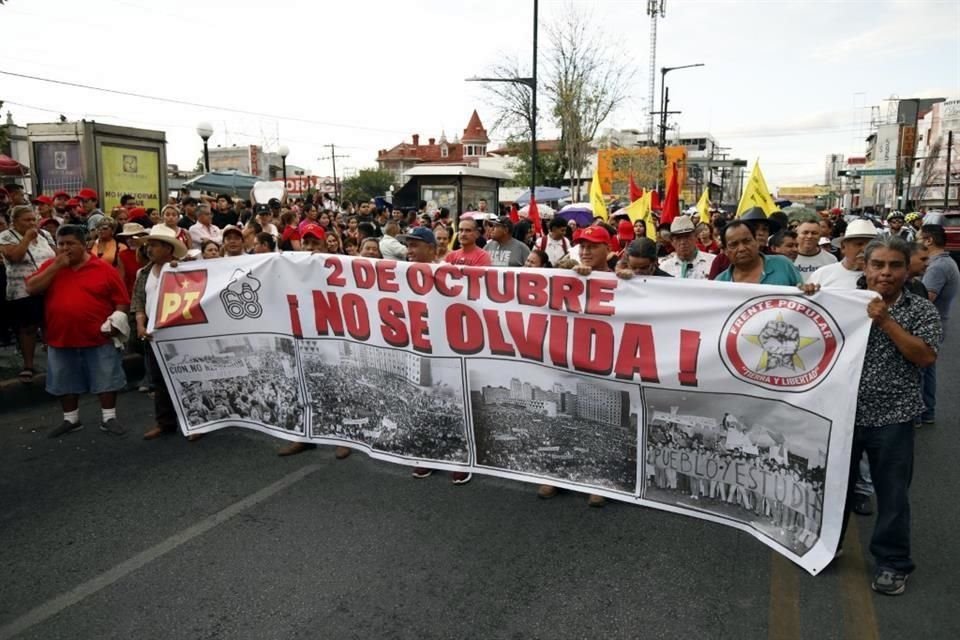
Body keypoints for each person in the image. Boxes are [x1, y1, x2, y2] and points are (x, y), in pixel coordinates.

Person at [839, 236, 941, 596]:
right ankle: (824, 547)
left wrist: (886, 322)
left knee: (892, 494)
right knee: (832, 488)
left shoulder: (920, 310)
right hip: (841, 416)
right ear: (864, 267)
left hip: (893, 417)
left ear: (907, 268)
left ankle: (893, 562)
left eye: (894, 265)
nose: (885, 273)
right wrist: (810, 296)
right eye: (877, 265)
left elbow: (925, 357)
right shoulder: (840, 302)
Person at [26, 225, 131, 438]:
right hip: (60, 336)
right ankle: (71, 419)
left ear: (84, 245)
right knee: (65, 379)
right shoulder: (51, 266)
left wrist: (116, 321)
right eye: (61, 244)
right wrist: (55, 267)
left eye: (70, 244)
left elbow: (122, 302)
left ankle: (108, 417)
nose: (65, 248)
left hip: (98, 336)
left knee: (106, 377)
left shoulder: (103, 269)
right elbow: (31, 288)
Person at [540, 224, 613, 508]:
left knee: (598, 425)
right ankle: (556, 473)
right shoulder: (567, 273)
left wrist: (625, 279)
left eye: (593, 246)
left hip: (602, 364)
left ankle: (599, 480)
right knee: (561, 419)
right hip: (567, 359)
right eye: (583, 245)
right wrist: (566, 274)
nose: (586, 251)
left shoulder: (623, 278)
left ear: (608, 249)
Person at [133, 226, 195, 441]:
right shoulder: (144, 273)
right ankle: (165, 423)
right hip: (154, 332)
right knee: (159, 380)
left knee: (187, 377)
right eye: (149, 245)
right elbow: (139, 301)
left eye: (155, 245)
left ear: (168, 248)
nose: (149, 249)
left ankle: (196, 423)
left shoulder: (184, 270)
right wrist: (141, 325)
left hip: (180, 330)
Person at [0, 205, 56, 381]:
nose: (32, 223)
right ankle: (29, 365)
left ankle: (56, 363)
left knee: (51, 324)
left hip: (48, 286)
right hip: (22, 291)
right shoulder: (5, 236)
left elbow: (55, 254)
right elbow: (15, 256)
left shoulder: (45, 235)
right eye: (27, 220)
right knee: (28, 328)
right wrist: (26, 239)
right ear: (14, 222)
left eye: (34, 219)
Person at [916, 223, 959, 426]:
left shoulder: (937, 266)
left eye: (918, 239)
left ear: (928, 240)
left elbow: (926, 298)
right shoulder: (943, 263)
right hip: (937, 323)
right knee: (928, 369)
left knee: (920, 372)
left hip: (930, 325)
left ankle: (917, 415)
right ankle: (927, 413)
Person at [714, 221, 805, 286]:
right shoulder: (720, 283)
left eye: (747, 241)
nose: (742, 248)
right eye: (734, 245)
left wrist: (809, 291)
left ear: (756, 242)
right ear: (725, 251)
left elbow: (803, 298)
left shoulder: (783, 265)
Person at [707, 207, 778, 279]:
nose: (761, 233)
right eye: (755, 228)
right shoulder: (721, 261)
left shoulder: (781, 263)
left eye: (765, 229)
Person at [809, 219, 878, 289]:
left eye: (871, 245)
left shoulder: (883, 278)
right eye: (859, 244)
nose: (865, 250)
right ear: (843, 247)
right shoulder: (822, 275)